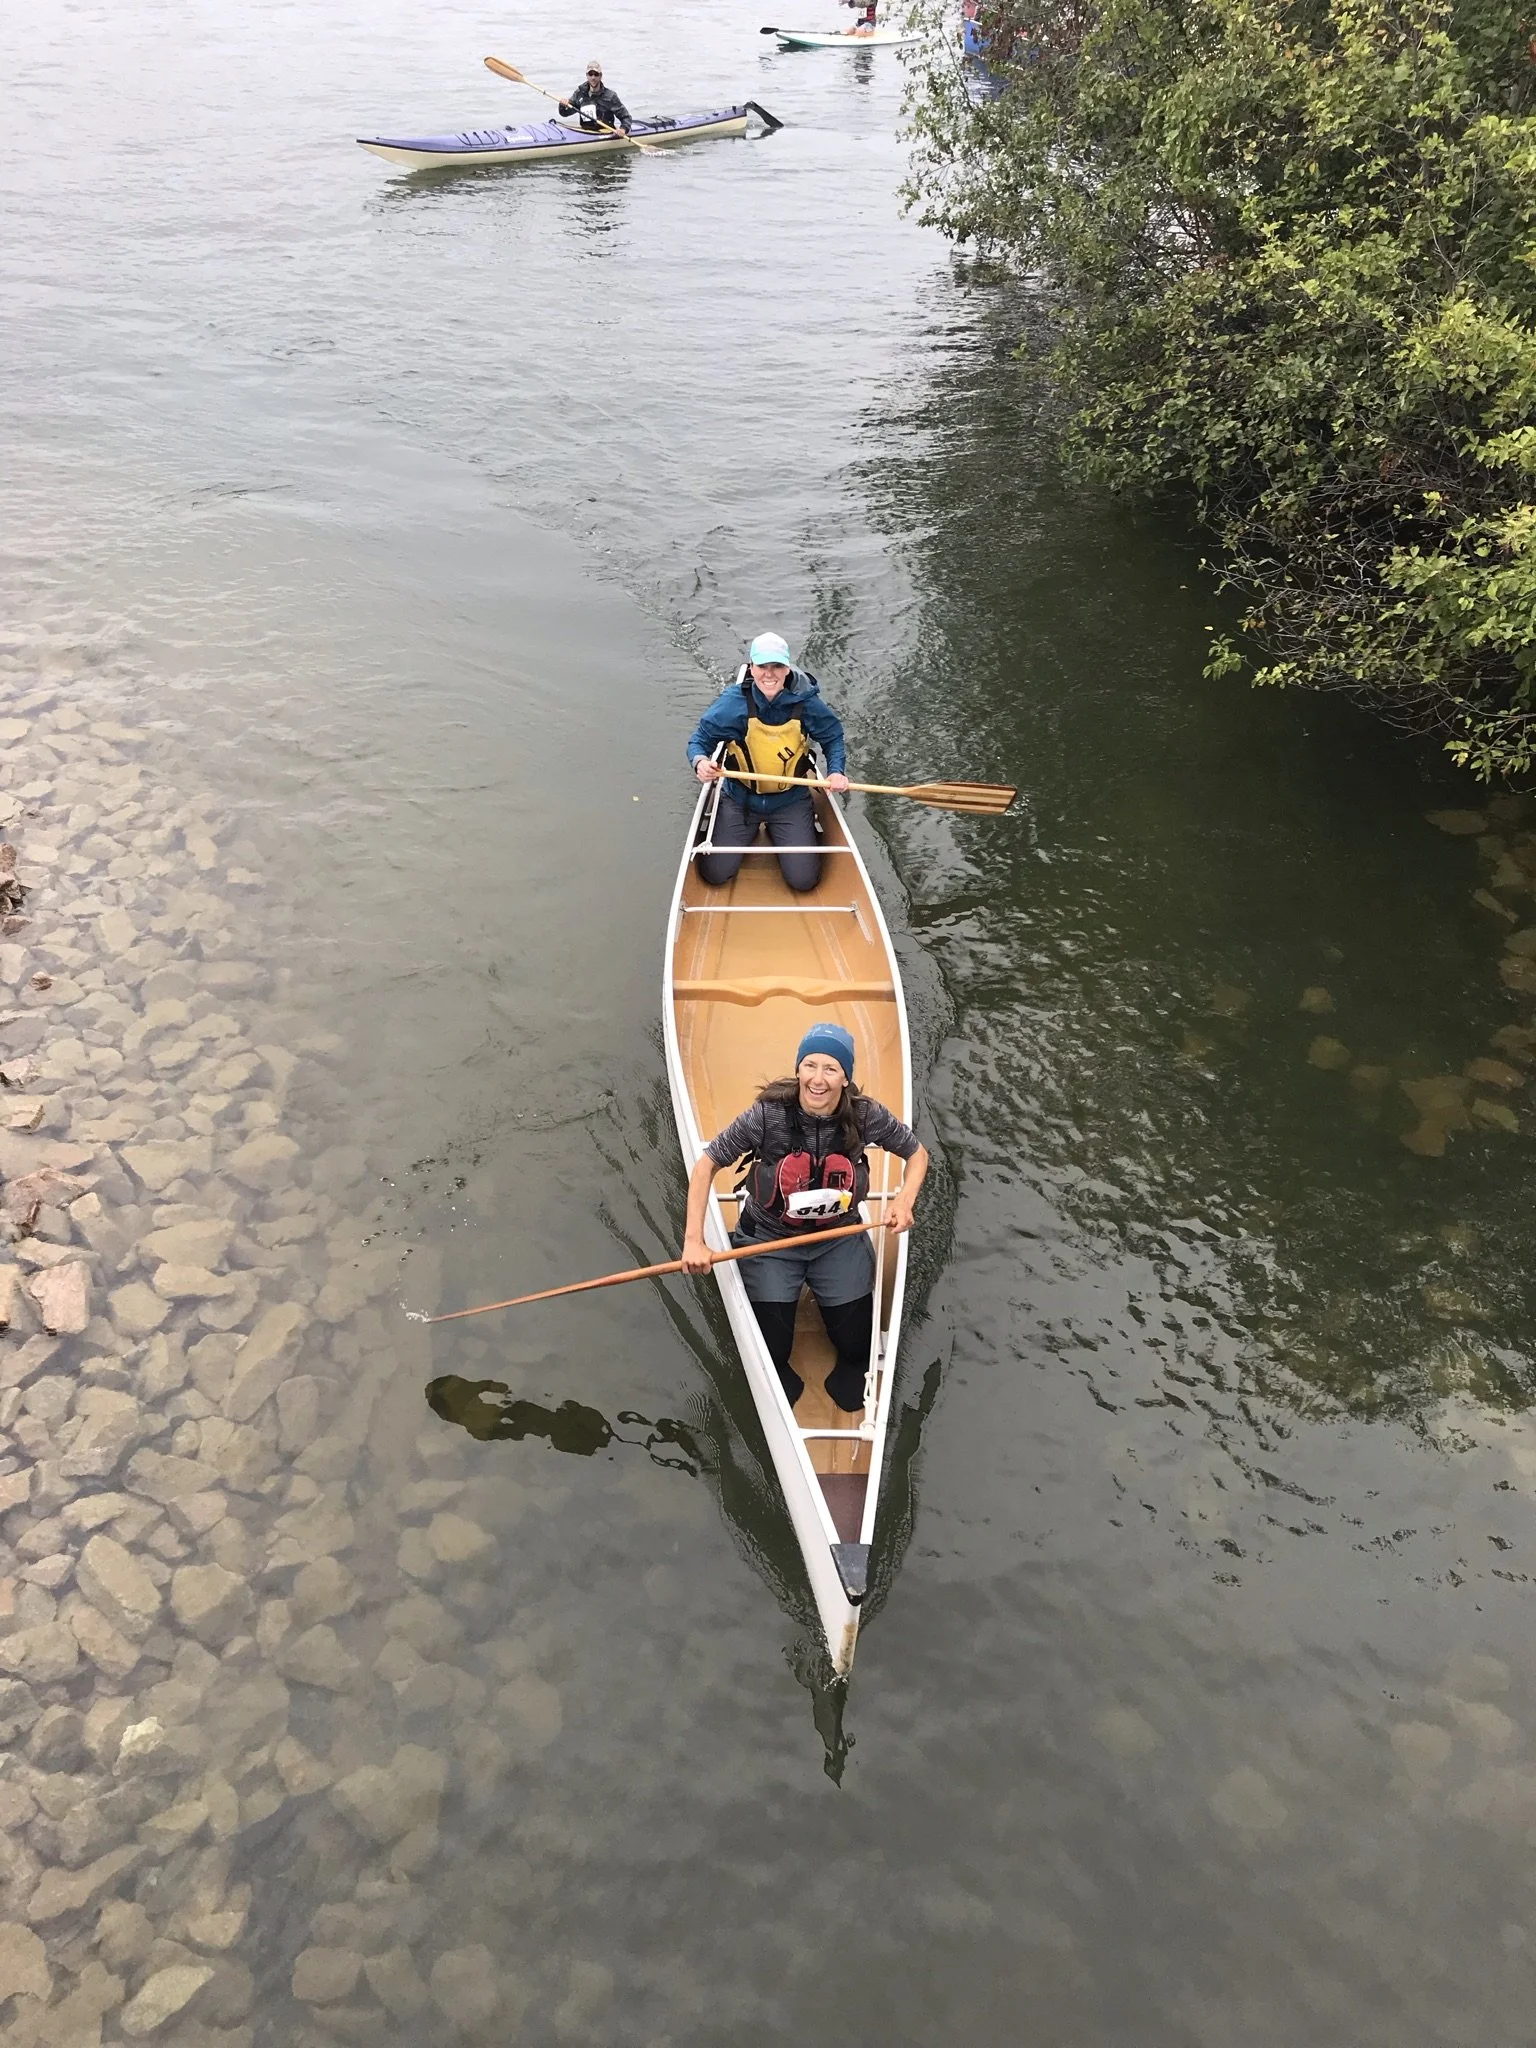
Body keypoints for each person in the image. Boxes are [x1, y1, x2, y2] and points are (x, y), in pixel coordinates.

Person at [681, 1024, 928, 1413]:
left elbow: (916, 1154)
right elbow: (706, 1166)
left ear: (846, 1077)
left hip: (839, 1237)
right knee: (772, 1351)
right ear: (798, 1070)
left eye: (831, 1069)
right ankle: (754, 1263)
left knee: (857, 1347)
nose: (818, 1079)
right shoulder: (766, 1116)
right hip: (770, 1238)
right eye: (809, 1065)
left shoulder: (867, 1116)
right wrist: (694, 1239)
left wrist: (904, 1200)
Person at [687, 632, 850, 894]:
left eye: (777, 666)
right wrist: (701, 762)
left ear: (787, 669)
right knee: (715, 874)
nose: (769, 674)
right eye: (763, 666)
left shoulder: (807, 703)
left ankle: (780, 831)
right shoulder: (733, 704)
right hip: (740, 800)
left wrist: (836, 771)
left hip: (790, 802)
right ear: (752, 668)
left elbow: (833, 737)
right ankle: (748, 830)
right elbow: (700, 740)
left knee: (804, 882)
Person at [558, 61, 632, 134]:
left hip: (605, 133)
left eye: (596, 74)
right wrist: (562, 104)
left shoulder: (610, 96)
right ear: (587, 75)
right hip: (586, 133)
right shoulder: (580, 93)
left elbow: (626, 117)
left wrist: (623, 129)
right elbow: (565, 113)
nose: (593, 78)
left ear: (600, 76)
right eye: (590, 74)